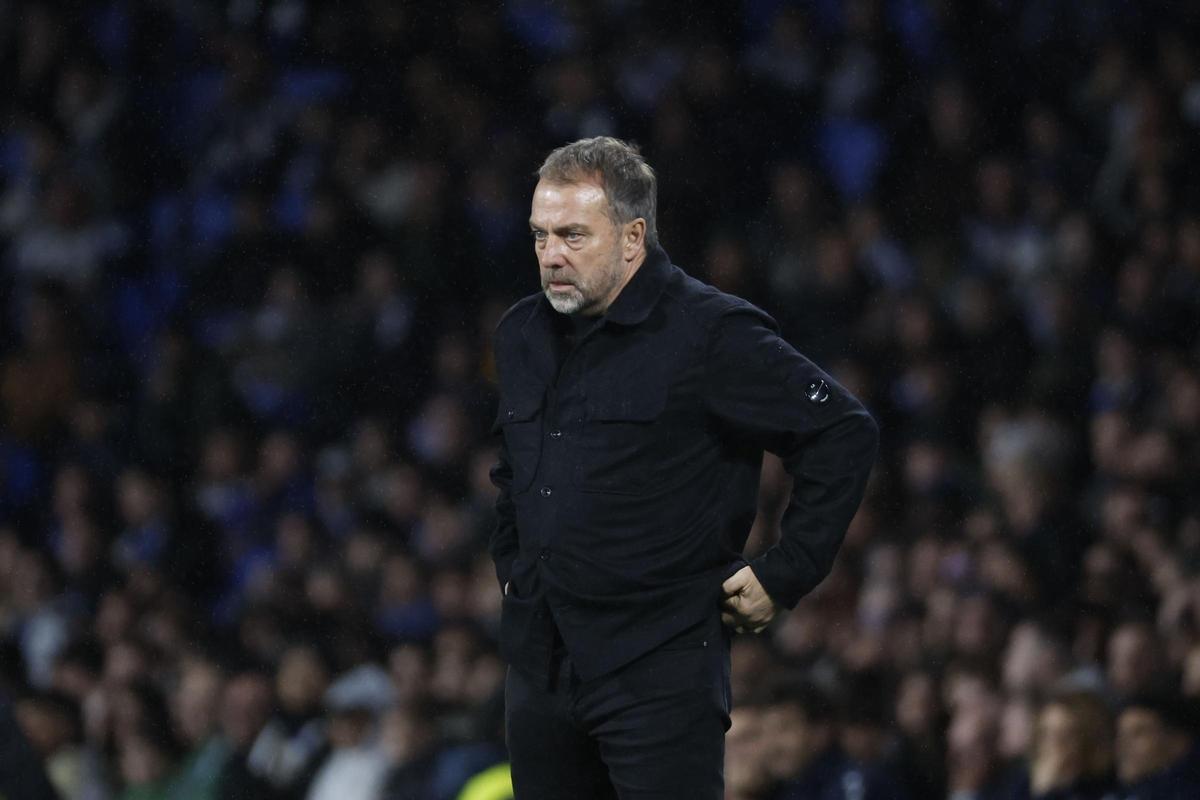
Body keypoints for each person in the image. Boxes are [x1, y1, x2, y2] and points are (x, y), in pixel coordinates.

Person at [489, 136, 878, 798]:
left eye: (573, 236)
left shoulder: (708, 333)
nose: (550, 256)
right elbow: (514, 473)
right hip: (542, 666)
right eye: (539, 235)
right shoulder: (521, 333)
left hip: (658, 671)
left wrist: (785, 572)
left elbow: (842, 431)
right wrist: (513, 574)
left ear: (633, 237)